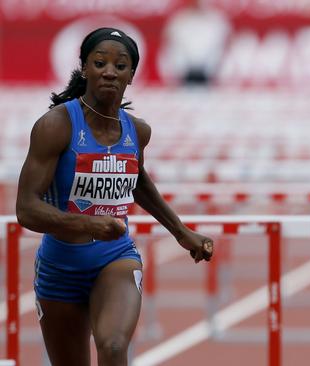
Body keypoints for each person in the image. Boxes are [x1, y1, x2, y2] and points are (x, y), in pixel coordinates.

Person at [15, 27, 214, 366]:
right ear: (84, 68)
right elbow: (26, 209)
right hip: (59, 266)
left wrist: (181, 232)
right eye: (100, 62)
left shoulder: (137, 131)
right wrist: (87, 223)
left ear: (131, 75)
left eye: (120, 66)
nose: (109, 71)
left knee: (113, 345)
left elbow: (137, 180)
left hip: (115, 257)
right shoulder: (55, 126)